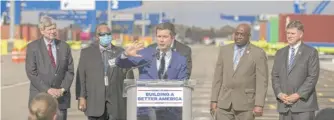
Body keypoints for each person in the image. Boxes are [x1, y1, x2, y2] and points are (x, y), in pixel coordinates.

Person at [115, 22, 188, 120]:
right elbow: (120, 63)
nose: (161, 40)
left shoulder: (180, 60)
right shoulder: (145, 54)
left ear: (172, 38)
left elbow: (183, 86)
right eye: (159, 36)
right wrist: (125, 54)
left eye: (165, 37)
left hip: (170, 113)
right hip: (146, 111)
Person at [210, 23, 269, 120]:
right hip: (224, 104)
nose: (238, 36)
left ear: (249, 36)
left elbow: (262, 81)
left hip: (245, 105)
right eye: (236, 34)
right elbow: (217, 78)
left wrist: (259, 104)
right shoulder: (225, 50)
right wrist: (214, 100)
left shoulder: (258, 53)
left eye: (242, 34)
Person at [75, 23, 132, 120]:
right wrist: (81, 97)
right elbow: (81, 76)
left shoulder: (121, 52)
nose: (106, 36)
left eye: (108, 34)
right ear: (97, 36)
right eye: (103, 34)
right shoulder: (87, 53)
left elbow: (128, 76)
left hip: (116, 102)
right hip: (95, 100)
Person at [25, 16, 74, 120]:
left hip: (60, 99)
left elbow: (70, 71)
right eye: (49, 29)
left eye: (54, 28)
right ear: (42, 31)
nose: (53, 31)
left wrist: (62, 89)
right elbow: (31, 73)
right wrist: (48, 90)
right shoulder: (33, 47)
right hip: (40, 100)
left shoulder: (65, 47)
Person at [272, 20, 320, 120]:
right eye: (288, 33)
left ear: (301, 34)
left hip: (303, 107)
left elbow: (312, 77)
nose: (289, 36)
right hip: (284, 106)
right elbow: (275, 76)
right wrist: (279, 94)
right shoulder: (280, 53)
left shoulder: (310, 52)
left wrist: (298, 95)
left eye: (292, 33)